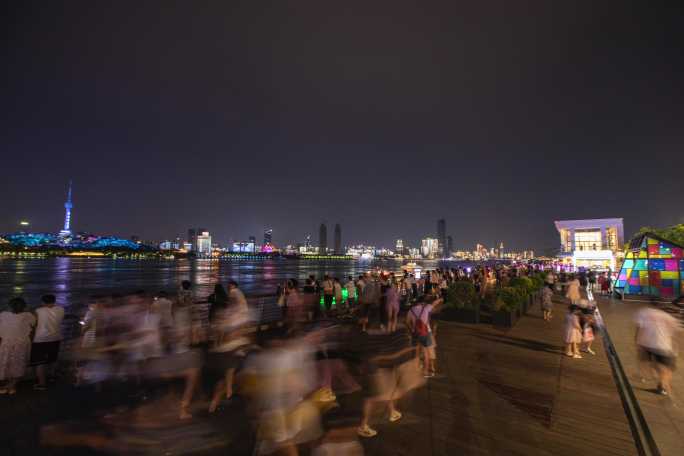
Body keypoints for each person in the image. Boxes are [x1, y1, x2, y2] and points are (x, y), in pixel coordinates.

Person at [634, 306, 679, 396]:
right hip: (663, 346)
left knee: (650, 362)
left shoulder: (645, 312)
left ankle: (649, 375)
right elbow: (673, 334)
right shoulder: (671, 318)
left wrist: (636, 339)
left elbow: (639, 327)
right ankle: (662, 386)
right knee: (667, 368)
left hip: (646, 343)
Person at [0, 298, 36, 394]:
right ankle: (12, 386)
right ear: (24, 307)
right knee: (18, 364)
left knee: (5, 364)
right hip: (22, 343)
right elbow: (33, 325)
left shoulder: (3, 315)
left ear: (10, 306)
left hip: (7, 343)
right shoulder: (28, 315)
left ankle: (7, 386)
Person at [30, 294, 65, 390]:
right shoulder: (61, 309)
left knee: (39, 362)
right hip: (56, 338)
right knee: (52, 359)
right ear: (54, 301)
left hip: (40, 339)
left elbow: (33, 323)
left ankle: (42, 384)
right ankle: (52, 376)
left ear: (42, 302)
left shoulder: (38, 311)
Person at [406, 296, 443, 377]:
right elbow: (434, 304)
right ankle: (426, 372)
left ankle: (416, 369)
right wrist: (440, 299)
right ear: (422, 302)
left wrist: (411, 330)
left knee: (416, 351)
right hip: (426, 332)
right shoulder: (426, 308)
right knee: (427, 352)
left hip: (415, 333)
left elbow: (407, 322)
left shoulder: (411, 310)